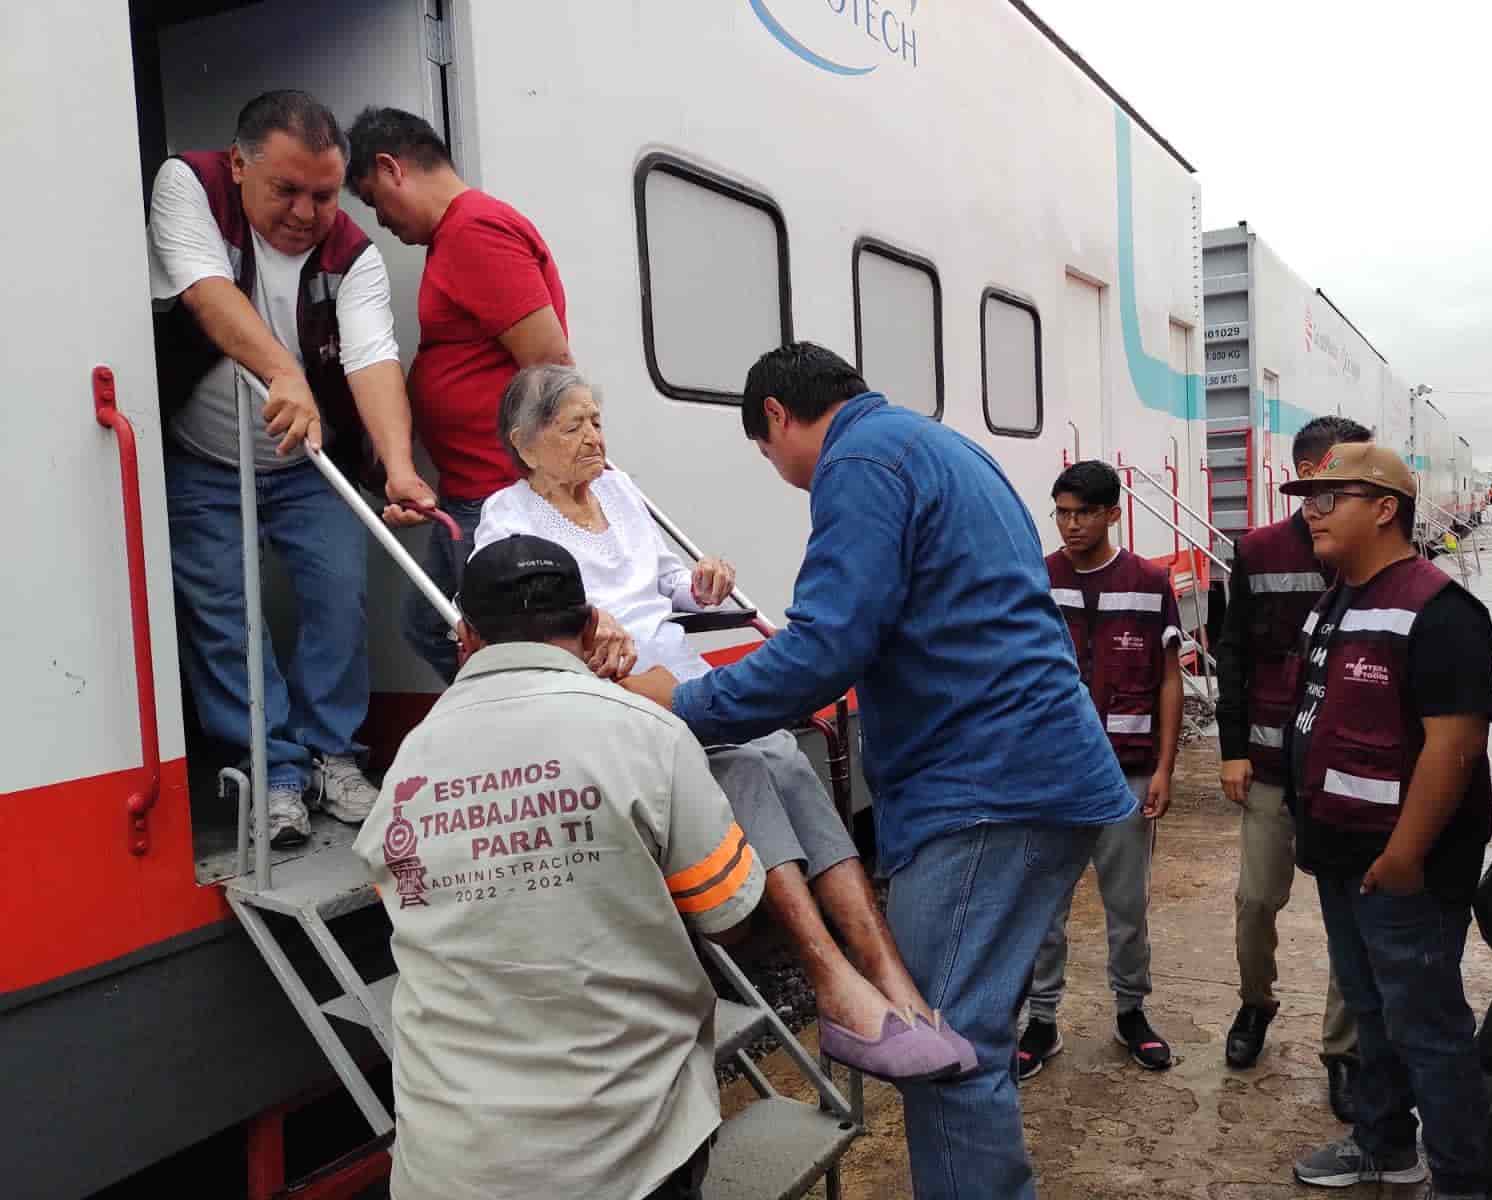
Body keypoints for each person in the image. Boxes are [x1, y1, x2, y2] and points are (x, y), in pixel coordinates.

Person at [621, 342, 1135, 1199]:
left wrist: (679, 706)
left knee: (948, 1046)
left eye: (765, 450)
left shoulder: (856, 463)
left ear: (778, 416)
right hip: (1035, 769)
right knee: (966, 1028)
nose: (778, 469)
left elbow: (827, 644)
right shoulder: (938, 445)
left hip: (985, 788)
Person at [473, 364, 970, 1082]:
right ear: (525, 444)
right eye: (574, 424)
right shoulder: (508, 517)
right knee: (745, 769)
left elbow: (665, 583)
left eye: (597, 420)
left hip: (679, 681)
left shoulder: (617, 489)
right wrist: (581, 619)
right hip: (605, 695)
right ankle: (832, 979)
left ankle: (885, 974)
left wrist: (700, 578)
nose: (594, 437)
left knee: (784, 755)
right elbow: (505, 607)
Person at [355, 534, 762, 1200]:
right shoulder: (646, 732)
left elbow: (409, 908)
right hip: (633, 1154)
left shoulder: (408, 762)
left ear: (465, 636)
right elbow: (729, 917)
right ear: (588, 624)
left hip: (450, 1169)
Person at [148, 90, 436, 845]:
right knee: (227, 619)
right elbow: (208, 296)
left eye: (323, 194)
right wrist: (289, 374)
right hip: (202, 459)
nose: (308, 213)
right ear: (241, 164)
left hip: (308, 461)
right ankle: (271, 770)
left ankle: (331, 753)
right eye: (287, 190)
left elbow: (374, 354)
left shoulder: (354, 254)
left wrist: (399, 467)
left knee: (339, 601)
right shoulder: (191, 185)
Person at [1277, 444, 1492, 1199]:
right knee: (1371, 1012)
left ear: (1384, 508)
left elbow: (1457, 741)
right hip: (1344, 855)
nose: (1310, 508)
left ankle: (1465, 1179)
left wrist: (1405, 855)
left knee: (1427, 1027)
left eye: (1329, 495)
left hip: (1405, 868)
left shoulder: (1439, 608)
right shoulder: (1340, 595)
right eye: (1305, 494)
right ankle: (1385, 1145)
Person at [344, 106, 574, 684]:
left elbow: (549, 362)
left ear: (393, 167)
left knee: (486, 642)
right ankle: (516, 729)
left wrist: (549, 489)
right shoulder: (455, 238)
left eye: (375, 201)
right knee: (432, 625)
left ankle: (526, 737)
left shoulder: (473, 230)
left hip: (499, 494)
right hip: (470, 491)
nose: (382, 222)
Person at [1214, 416, 1368, 1117]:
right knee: (1255, 903)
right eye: (1325, 481)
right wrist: (1233, 749)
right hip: (1274, 763)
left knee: (1351, 920)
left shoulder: (1377, 556)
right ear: (1303, 477)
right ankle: (1255, 1005)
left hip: (1349, 771)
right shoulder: (1258, 552)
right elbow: (1234, 656)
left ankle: (1344, 1051)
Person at [1017, 462, 1182, 1079]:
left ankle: (1131, 1013)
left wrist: (1166, 767)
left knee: (1127, 904)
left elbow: (1170, 679)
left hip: (1127, 773)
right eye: (1061, 512)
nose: (1070, 524)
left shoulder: (1148, 582)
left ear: (1114, 513)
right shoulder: (1037, 579)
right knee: (1043, 905)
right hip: (1050, 776)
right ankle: (1040, 1020)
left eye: (1083, 512)